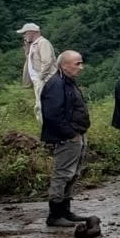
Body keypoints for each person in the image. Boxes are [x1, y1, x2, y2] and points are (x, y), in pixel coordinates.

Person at [39, 49, 89, 227]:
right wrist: (70, 134)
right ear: (64, 65)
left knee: (73, 174)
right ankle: (55, 214)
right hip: (66, 138)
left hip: (76, 135)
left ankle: (65, 211)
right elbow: (53, 114)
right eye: (77, 63)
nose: (81, 67)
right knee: (62, 174)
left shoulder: (68, 82)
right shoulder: (56, 84)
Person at [19, 22, 57, 126]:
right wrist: (27, 45)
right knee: (40, 106)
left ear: (32, 32)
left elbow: (47, 61)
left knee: (43, 106)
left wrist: (41, 77)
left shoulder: (43, 43)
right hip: (39, 81)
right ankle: (45, 128)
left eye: (25, 33)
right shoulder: (33, 44)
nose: (23, 35)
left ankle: (48, 129)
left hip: (45, 80)